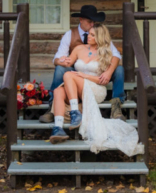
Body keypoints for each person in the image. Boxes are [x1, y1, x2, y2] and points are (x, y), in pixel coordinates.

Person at [49, 24, 143, 157]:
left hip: (96, 88)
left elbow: (101, 80)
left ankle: (75, 112)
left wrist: (85, 76)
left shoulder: (105, 53)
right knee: (59, 90)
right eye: (89, 34)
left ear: (99, 37)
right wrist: (60, 60)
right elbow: (66, 64)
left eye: (93, 35)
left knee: (69, 75)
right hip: (78, 86)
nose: (89, 36)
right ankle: (58, 128)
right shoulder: (78, 48)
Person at [39, 5, 125, 123]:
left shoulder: (100, 34)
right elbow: (57, 59)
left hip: (97, 74)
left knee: (119, 69)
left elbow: (116, 56)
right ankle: (52, 108)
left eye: (94, 22)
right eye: (90, 22)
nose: (92, 24)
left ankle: (117, 105)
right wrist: (63, 61)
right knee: (59, 69)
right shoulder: (70, 35)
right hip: (75, 69)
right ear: (81, 20)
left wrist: (108, 72)